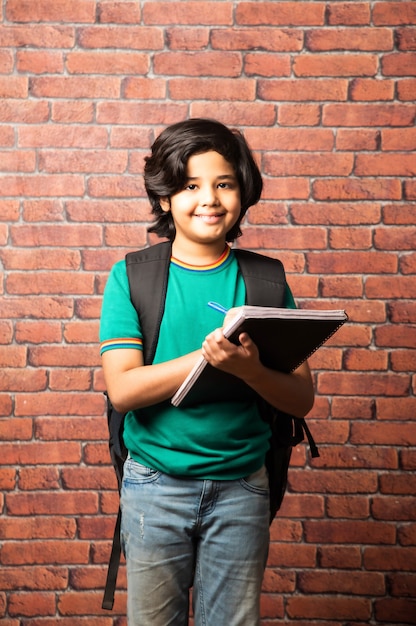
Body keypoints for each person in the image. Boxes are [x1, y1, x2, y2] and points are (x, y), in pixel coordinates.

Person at [100, 118, 314, 625]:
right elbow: (124, 390)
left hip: (243, 488)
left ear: (242, 193)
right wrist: (207, 357)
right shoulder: (132, 277)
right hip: (155, 485)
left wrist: (250, 369)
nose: (209, 199)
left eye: (224, 184)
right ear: (165, 198)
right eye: (191, 186)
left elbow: (300, 400)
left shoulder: (265, 280)